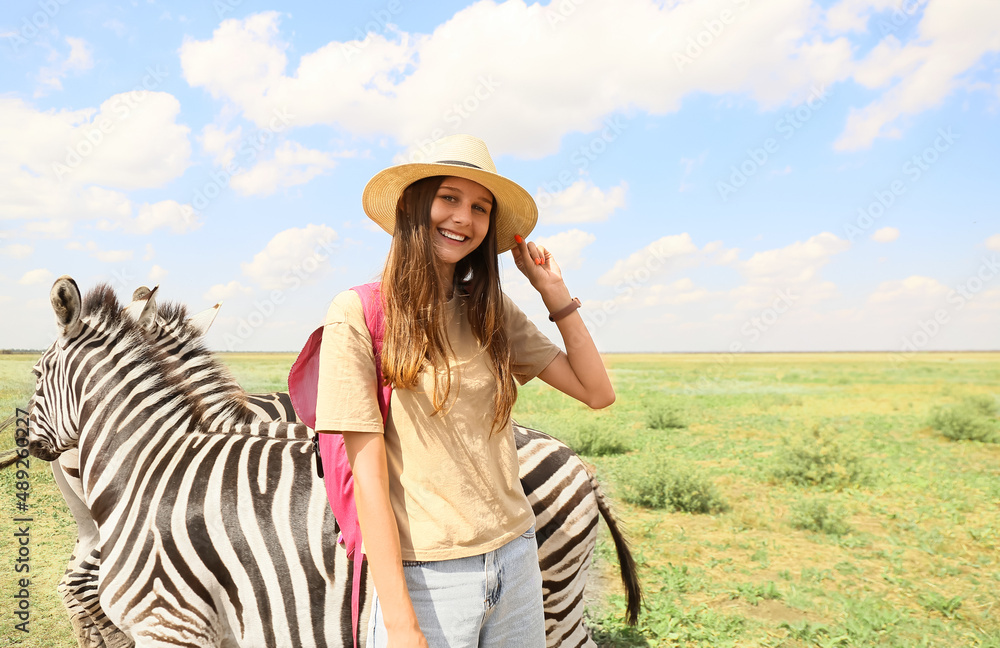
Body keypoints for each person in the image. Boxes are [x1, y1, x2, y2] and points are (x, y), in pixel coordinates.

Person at [314, 134, 615, 648]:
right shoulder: (358, 312)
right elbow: (368, 483)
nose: (464, 218)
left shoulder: (489, 307)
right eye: (449, 197)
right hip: (428, 575)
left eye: (480, 208)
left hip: (516, 556)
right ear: (412, 205)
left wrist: (555, 294)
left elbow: (596, 391)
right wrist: (402, 622)